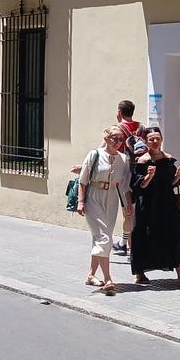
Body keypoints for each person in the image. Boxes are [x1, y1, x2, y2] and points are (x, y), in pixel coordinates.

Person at [129, 126, 180, 286]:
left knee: (175, 235)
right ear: (146, 141)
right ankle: (140, 273)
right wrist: (149, 176)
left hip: (167, 204)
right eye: (151, 139)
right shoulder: (142, 161)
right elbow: (138, 186)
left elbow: (171, 184)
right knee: (143, 236)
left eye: (157, 138)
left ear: (162, 139)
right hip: (147, 206)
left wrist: (178, 176)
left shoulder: (169, 159)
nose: (155, 141)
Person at [77, 125, 134, 295]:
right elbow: (83, 180)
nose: (118, 142)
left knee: (100, 238)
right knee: (105, 238)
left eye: (120, 139)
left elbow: (125, 186)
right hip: (93, 197)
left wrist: (128, 204)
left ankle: (91, 275)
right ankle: (108, 278)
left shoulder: (124, 159)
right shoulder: (94, 154)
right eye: (114, 138)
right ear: (106, 138)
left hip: (112, 200)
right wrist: (81, 201)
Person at [113, 100, 146, 256]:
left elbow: (111, 152)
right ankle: (123, 243)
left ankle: (130, 248)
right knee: (136, 210)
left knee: (128, 211)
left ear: (119, 112)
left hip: (125, 174)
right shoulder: (142, 128)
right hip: (142, 172)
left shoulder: (118, 129)